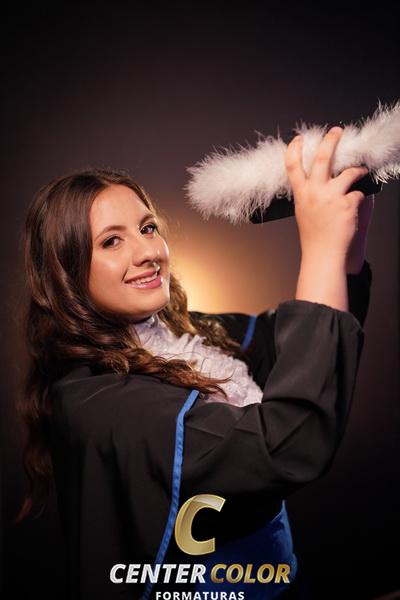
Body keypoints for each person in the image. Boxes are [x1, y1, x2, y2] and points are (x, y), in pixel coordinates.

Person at [16, 126, 374, 599]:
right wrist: (320, 250)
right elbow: (287, 442)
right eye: (111, 242)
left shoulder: (183, 335)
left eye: (147, 228)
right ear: (66, 272)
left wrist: (347, 242)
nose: (148, 252)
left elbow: (304, 350)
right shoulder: (103, 404)